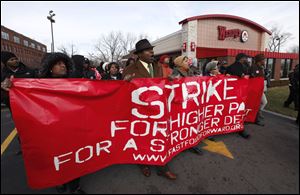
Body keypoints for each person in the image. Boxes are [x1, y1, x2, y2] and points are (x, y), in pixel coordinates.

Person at [2, 52, 86, 194]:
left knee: (73, 158)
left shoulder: (74, 82)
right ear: (50, 68)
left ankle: (75, 187)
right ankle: (58, 180)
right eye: (58, 64)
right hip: (49, 130)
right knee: (55, 158)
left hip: (71, 129)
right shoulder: (37, 84)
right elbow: (15, 97)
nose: (63, 66)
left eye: (64, 63)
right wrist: (9, 88)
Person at [122, 39, 176, 180]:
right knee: (142, 137)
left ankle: (162, 167)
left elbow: (161, 85)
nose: (152, 52)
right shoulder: (130, 69)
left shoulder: (158, 67)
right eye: (148, 50)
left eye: (152, 50)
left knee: (159, 137)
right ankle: (143, 163)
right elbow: (123, 93)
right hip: (140, 111)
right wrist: (125, 84)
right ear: (139, 54)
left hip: (158, 110)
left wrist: (169, 80)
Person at [171, 56, 204, 155]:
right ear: (180, 63)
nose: (187, 62)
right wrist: (173, 80)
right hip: (182, 102)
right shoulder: (175, 72)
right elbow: (173, 86)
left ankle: (191, 143)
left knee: (191, 121)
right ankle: (182, 142)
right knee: (183, 123)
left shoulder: (190, 71)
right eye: (185, 61)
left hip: (191, 100)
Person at [226, 53, 251, 139]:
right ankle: (239, 127)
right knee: (238, 110)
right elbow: (244, 77)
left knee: (232, 109)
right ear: (241, 59)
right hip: (239, 93)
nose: (246, 59)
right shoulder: (239, 67)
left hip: (231, 93)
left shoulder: (231, 67)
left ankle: (232, 125)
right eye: (245, 58)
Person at [250, 54, 267, 126]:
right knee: (255, 104)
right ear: (260, 60)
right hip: (254, 90)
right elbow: (253, 78)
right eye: (264, 60)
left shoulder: (262, 67)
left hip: (260, 89)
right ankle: (255, 118)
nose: (265, 61)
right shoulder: (253, 67)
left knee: (264, 102)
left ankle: (258, 113)